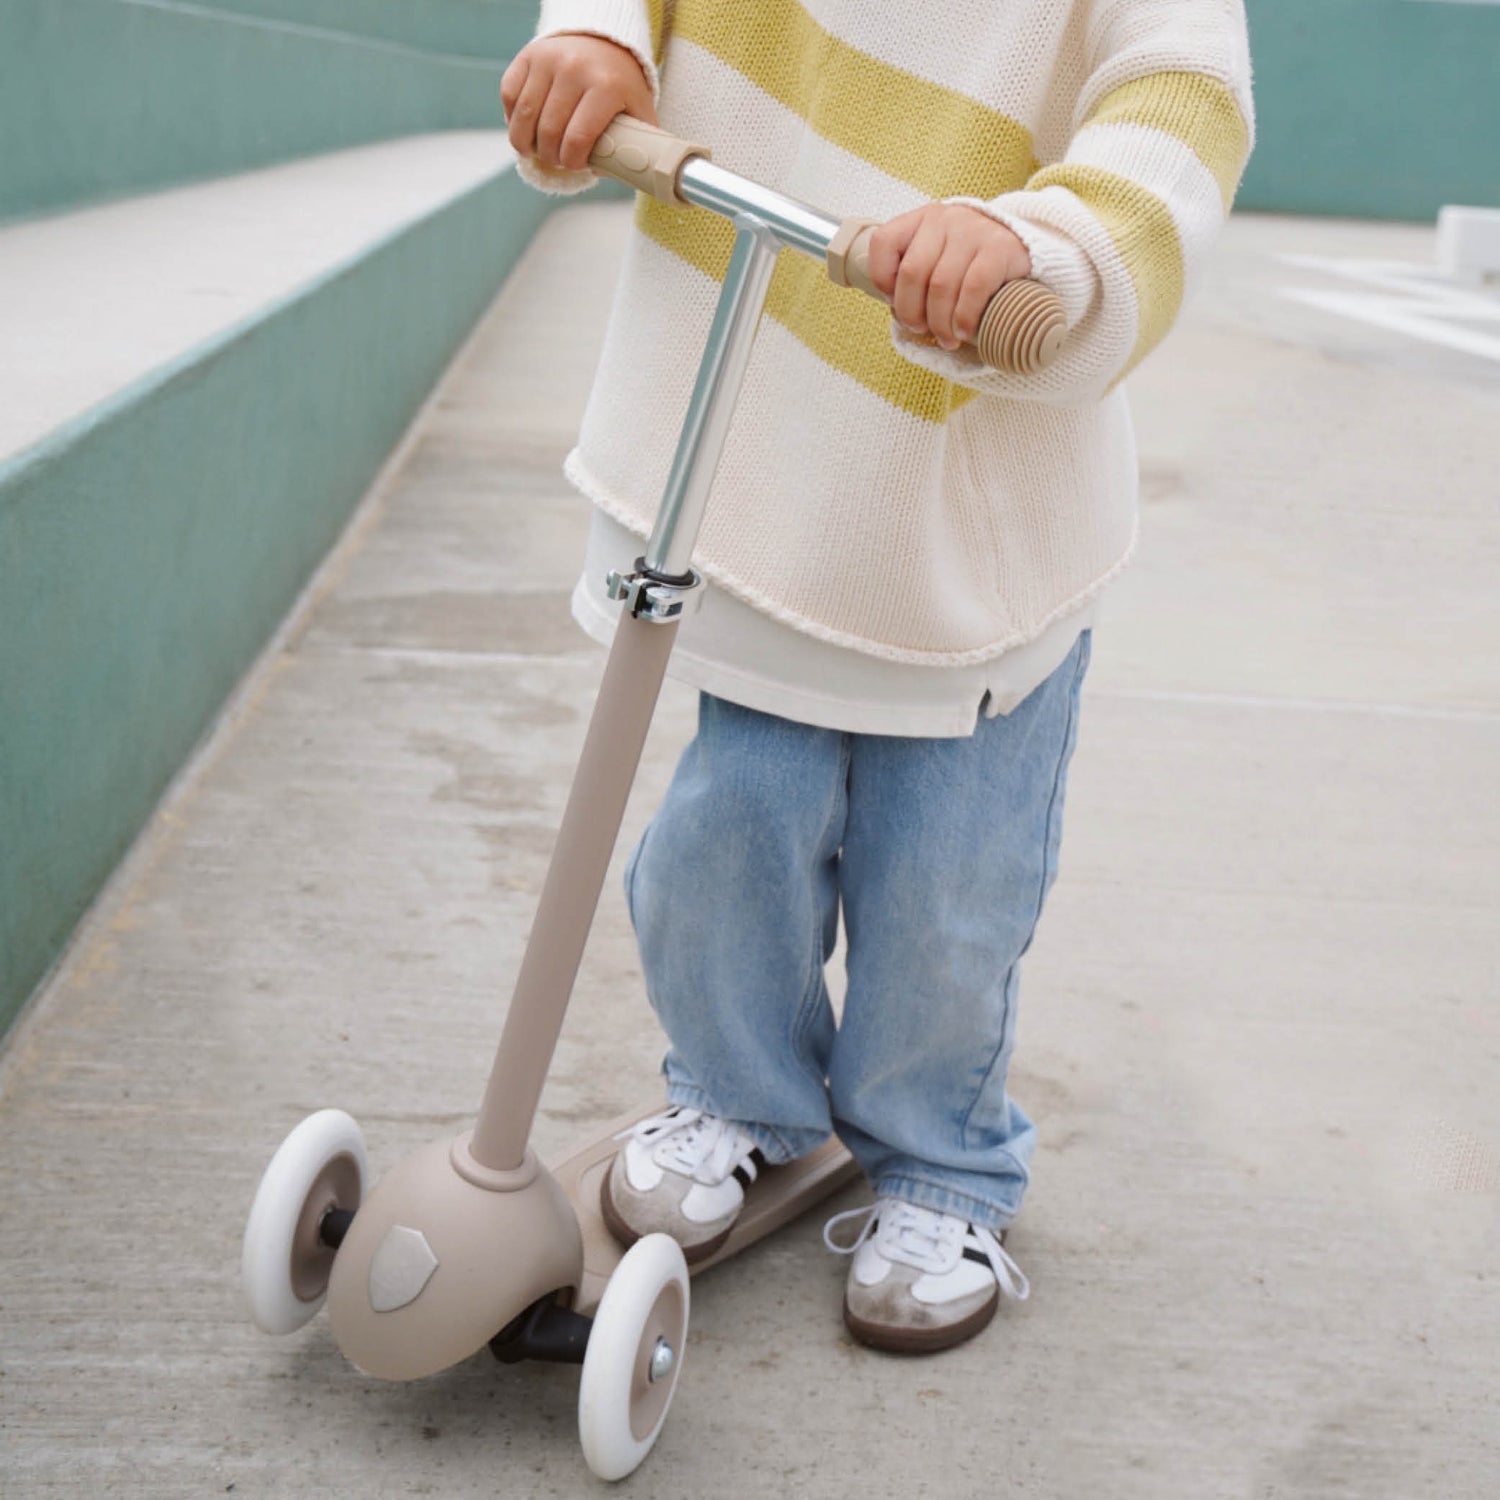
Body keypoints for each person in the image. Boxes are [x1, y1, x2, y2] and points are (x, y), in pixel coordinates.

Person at [503, 1, 1254, 1353]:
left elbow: (1180, 101)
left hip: (968, 512)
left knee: (945, 897)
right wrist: (603, 35)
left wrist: (1048, 239)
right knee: (724, 842)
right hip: (763, 451)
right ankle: (739, 1092)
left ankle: (942, 1161)